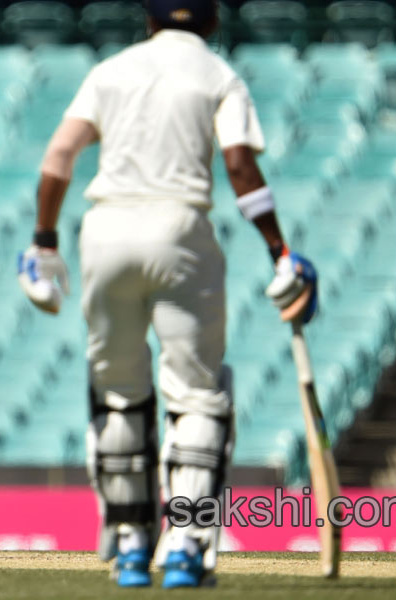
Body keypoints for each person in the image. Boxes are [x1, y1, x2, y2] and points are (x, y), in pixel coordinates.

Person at [17, 0, 317, 588]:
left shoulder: (111, 71)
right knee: (198, 395)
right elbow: (240, 168)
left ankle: (131, 545)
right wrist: (280, 250)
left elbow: (57, 159)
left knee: (119, 391)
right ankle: (185, 544)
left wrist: (45, 242)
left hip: (105, 234)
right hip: (180, 230)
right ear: (211, 23)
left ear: (149, 20)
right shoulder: (219, 76)